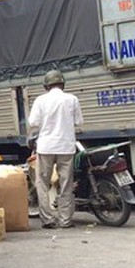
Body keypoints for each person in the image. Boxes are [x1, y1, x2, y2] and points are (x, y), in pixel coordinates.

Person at [27, 69, 84, 229]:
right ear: (63, 84)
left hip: (46, 147)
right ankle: (65, 220)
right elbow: (79, 121)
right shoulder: (72, 99)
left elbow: (33, 122)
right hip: (66, 147)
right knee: (66, 184)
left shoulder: (40, 100)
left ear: (46, 86)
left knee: (42, 183)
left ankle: (48, 220)